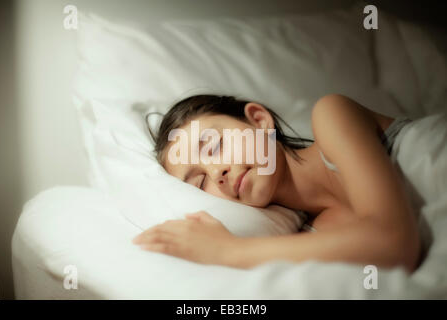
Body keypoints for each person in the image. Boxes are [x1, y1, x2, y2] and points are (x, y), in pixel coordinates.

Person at [132, 94, 422, 274]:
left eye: (215, 145)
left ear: (259, 121)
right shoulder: (305, 242)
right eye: (200, 182)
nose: (216, 171)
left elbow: (394, 244)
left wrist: (227, 250)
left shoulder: (332, 115)